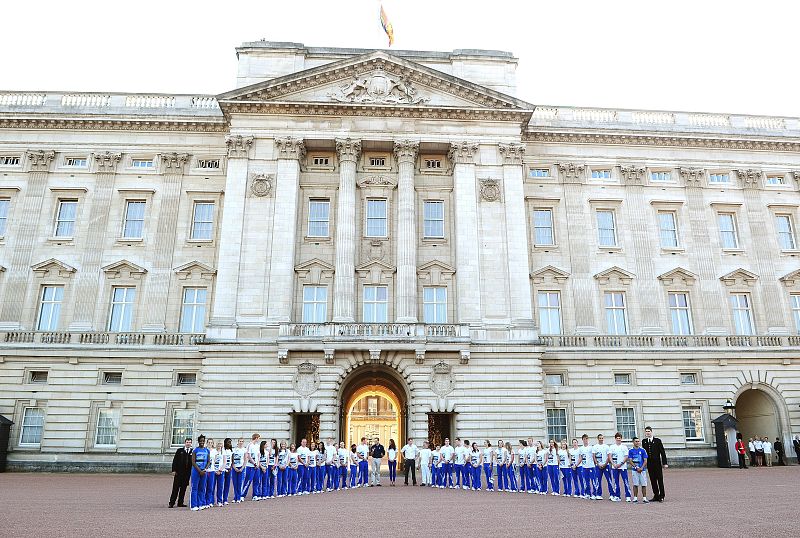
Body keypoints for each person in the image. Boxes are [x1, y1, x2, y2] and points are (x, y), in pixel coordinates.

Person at [642, 426, 668, 502]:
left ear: (651, 432)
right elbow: (644, 454)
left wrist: (665, 463)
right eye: (646, 431)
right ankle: (656, 495)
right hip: (649, 464)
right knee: (652, 480)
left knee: (659, 479)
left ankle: (662, 495)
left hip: (657, 463)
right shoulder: (644, 441)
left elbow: (662, 452)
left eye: (649, 431)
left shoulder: (657, 441)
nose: (647, 433)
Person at [169, 437, 192, 508]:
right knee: (175, 488)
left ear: (191, 443)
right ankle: (171, 503)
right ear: (185, 443)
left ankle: (180, 502)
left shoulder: (192, 451)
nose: (188, 443)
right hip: (179, 473)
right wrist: (173, 470)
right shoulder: (179, 451)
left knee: (183, 489)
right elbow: (175, 461)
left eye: (189, 442)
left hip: (187, 474)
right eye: (187, 442)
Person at [190, 434, 210, 511]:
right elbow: (193, 462)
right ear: (198, 441)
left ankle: (200, 503)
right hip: (196, 471)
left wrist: (205, 469)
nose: (202, 442)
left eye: (203, 441)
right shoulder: (195, 450)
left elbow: (208, 461)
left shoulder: (207, 450)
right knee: (195, 488)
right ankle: (194, 505)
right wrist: (199, 471)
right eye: (200, 441)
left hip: (204, 471)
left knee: (202, 488)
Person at [609, 432, 631, 502]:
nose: (618, 439)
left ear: (621, 439)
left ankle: (628, 496)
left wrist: (621, 463)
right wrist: (613, 464)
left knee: (625, 481)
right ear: (615, 439)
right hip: (614, 467)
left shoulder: (624, 447)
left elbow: (626, 456)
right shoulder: (612, 447)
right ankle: (617, 495)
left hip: (623, 467)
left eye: (619, 438)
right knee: (616, 482)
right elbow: (610, 456)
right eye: (617, 438)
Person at [628, 436, 649, 503]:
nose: (637, 443)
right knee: (635, 484)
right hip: (635, 470)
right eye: (636, 441)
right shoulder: (631, 451)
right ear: (633, 442)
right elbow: (630, 460)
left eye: (638, 441)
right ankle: (635, 497)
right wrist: (636, 467)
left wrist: (642, 468)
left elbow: (645, 460)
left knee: (644, 484)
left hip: (642, 470)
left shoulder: (643, 450)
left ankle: (644, 498)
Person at [592, 434, 612, 499]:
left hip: (606, 466)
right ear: (598, 439)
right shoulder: (595, 447)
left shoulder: (606, 447)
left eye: (602, 438)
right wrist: (597, 464)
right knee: (598, 480)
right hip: (598, 466)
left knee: (609, 480)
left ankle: (612, 494)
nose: (601, 439)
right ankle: (598, 494)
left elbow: (609, 456)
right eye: (600, 438)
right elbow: (594, 456)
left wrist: (605, 464)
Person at [242, 433, 261, 500]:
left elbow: (258, 455)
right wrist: (254, 463)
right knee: (248, 481)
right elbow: (249, 456)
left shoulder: (257, 446)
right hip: (250, 465)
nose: (259, 439)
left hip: (256, 466)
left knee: (256, 480)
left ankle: (255, 495)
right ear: (256, 438)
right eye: (258, 438)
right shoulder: (250, 445)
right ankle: (242, 495)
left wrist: (258, 463)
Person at [578, 434, 597, 499]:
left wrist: (595, 464)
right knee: (586, 481)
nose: (585, 440)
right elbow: (580, 458)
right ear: (582, 440)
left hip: (591, 466)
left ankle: (594, 494)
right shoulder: (581, 448)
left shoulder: (591, 447)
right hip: (584, 467)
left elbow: (594, 456)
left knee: (593, 480)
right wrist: (576, 465)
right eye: (584, 439)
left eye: (586, 439)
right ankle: (587, 493)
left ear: (588, 439)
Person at [231, 438, 246, 503]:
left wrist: (242, 468)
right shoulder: (234, 450)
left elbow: (245, 460)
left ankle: (239, 497)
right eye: (240, 441)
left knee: (240, 483)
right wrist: (234, 467)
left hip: (241, 467)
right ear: (238, 442)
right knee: (235, 483)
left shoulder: (244, 450)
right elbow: (232, 460)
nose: (241, 442)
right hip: (235, 468)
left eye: (242, 441)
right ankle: (235, 496)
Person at [205, 438, 217, 507]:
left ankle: (209, 501)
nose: (210, 444)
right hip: (205, 471)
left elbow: (214, 461)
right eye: (208, 442)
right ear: (207, 443)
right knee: (204, 486)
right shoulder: (205, 450)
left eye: (211, 442)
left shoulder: (214, 451)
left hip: (211, 470)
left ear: (212, 443)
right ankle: (204, 501)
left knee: (210, 487)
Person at [220, 438, 233, 505]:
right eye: (228, 442)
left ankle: (225, 499)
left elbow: (232, 460)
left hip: (229, 469)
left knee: (227, 484)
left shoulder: (231, 451)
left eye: (230, 442)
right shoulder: (223, 450)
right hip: (223, 469)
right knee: (221, 484)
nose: (229, 443)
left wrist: (230, 467)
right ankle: (220, 498)